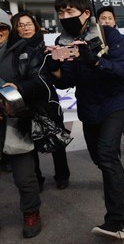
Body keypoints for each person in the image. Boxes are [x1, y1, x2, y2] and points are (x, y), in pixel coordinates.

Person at [46, 0, 124, 239]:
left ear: (86, 13)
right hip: (88, 106)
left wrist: (95, 61)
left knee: (107, 154)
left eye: (70, 11)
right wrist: (55, 69)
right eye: (61, 12)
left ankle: (115, 223)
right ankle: (123, 177)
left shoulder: (110, 34)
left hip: (115, 102)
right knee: (99, 157)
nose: (65, 16)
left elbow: (121, 69)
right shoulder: (63, 41)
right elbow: (66, 82)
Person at [11, 12, 71, 190]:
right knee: (31, 144)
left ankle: (62, 175)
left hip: (48, 102)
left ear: (35, 26)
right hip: (24, 102)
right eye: (20, 25)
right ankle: (37, 178)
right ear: (15, 29)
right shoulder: (12, 53)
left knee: (57, 141)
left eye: (28, 24)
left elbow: (59, 80)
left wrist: (56, 65)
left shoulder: (47, 49)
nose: (25, 28)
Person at [0, 9, 45, 238]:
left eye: (2, 28)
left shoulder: (24, 52)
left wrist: (21, 88)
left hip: (16, 121)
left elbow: (39, 81)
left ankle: (31, 213)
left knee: (24, 175)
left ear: (8, 29)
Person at [97, 6, 124, 157]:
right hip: (101, 88)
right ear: (97, 21)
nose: (107, 21)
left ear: (114, 21)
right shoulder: (93, 41)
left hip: (122, 84)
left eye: (109, 18)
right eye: (103, 18)